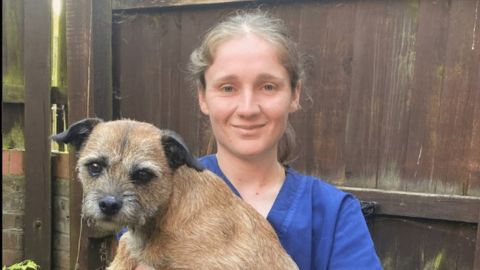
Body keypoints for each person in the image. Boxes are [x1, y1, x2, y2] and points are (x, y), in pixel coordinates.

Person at [134, 10, 382, 270]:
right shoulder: (159, 186)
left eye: (268, 86)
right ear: (203, 97)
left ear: (294, 94)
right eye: (228, 88)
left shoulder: (335, 214)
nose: (248, 108)